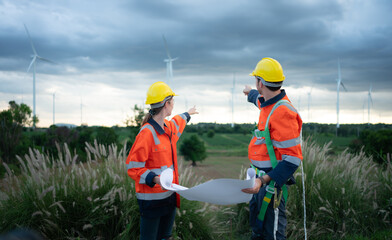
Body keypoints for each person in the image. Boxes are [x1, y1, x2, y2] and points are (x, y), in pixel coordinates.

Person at [126, 81, 198, 240]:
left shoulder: (167, 128)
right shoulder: (146, 133)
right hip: (151, 201)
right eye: (173, 102)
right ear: (167, 104)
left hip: (169, 196)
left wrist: (188, 113)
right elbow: (133, 168)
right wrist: (155, 178)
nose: (173, 105)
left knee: (166, 237)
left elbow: (177, 122)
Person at [241, 58, 303, 240]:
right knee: (257, 231)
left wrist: (263, 180)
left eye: (256, 81)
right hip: (259, 182)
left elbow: (292, 160)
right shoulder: (268, 103)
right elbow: (259, 100)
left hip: (270, 186)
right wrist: (250, 93)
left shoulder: (283, 112)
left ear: (261, 82)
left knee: (272, 235)